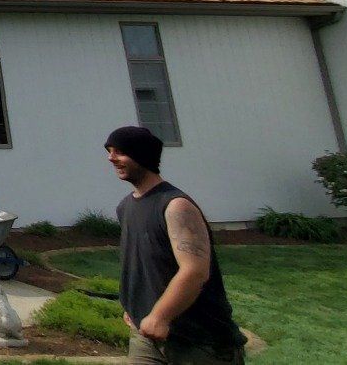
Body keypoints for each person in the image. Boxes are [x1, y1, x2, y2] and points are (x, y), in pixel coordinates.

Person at [104, 125, 246, 365]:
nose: (111, 158)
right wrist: (134, 306)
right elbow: (142, 264)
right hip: (146, 338)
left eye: (119, 152)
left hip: (200, 343)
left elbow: (195, 271)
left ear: (142, 155)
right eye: (109, 151)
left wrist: (160, 316)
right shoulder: (126, 207)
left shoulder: (175, 206)